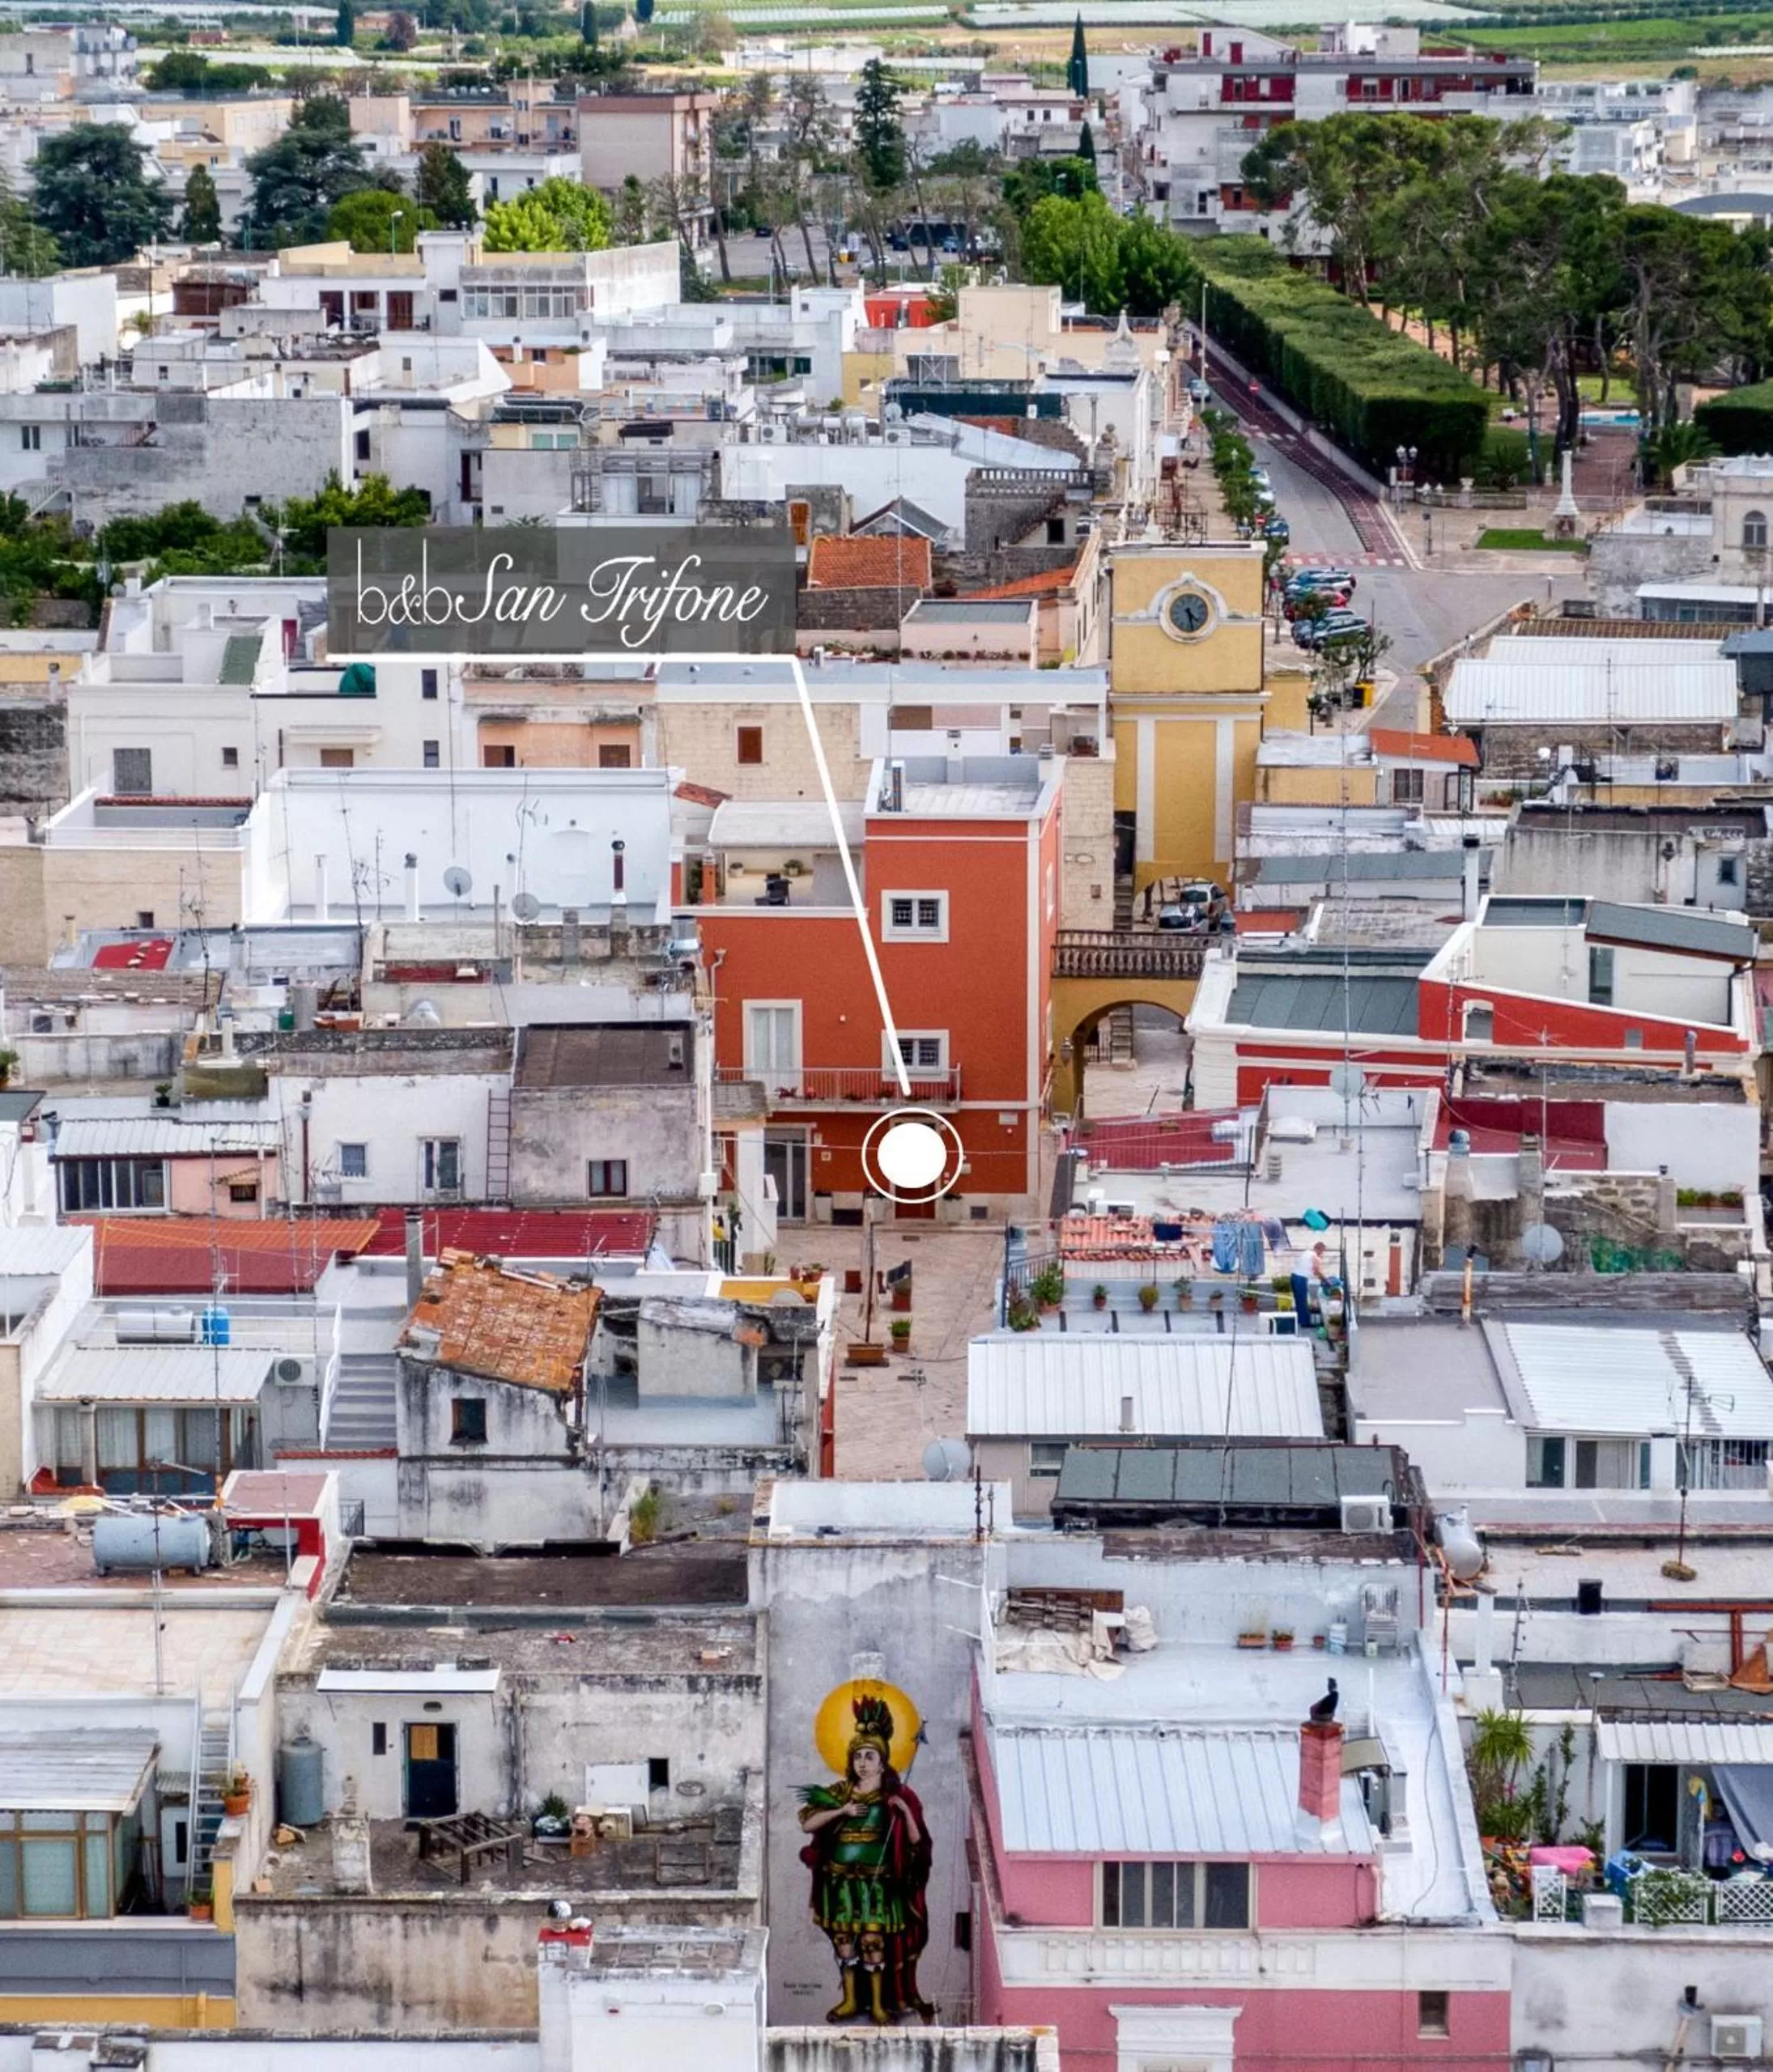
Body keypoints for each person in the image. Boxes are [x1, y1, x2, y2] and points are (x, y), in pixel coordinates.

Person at [797, 1693, 933, 2026]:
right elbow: (808, 1824)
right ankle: (849, 2001)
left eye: (869, 1756)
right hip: (840, 1880)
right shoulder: (841, 1792)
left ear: (882, 1761)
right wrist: (841, 1812)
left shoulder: (896, 1796)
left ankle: (877, 2005)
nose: (862, 1762)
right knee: (845, 1941)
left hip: (878, 1882)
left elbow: (917, 1841)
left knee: (873, 1943)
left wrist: (905, 1813)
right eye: (857, 1756)